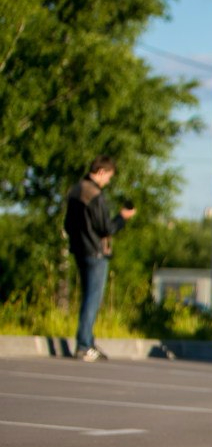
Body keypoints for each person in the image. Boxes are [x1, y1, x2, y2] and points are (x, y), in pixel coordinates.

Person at [63, 155, 137, 362]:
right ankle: (85, 344)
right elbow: (106, 228)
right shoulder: (94, 194)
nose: (108, 182)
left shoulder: (76, 190)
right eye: (108, 177)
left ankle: (86, 341)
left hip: (79, 249)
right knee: (92, 299)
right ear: (101, 172)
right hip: (95, 251)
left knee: (88, 297)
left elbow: (68, 225)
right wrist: (122, 217)